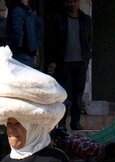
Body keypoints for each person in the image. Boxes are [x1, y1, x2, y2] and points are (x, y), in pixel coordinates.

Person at [46, 0, 93, 131]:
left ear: (78, 3)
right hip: (63, 63)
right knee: (64, 94)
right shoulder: (59, 20)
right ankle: (61, 123)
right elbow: (53, 41)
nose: (72, 4)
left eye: (75, 1)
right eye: (70, 1)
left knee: (78, 94)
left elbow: (89, 39)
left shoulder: (85, 20)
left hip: (81, 62)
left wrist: (87, 58)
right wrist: (53, 60)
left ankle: (75, 122)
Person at [5, 0, 40, 67]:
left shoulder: (18, 10)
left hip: (22, 53)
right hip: (26, 52)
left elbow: (17, 33)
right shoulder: (27, 11)